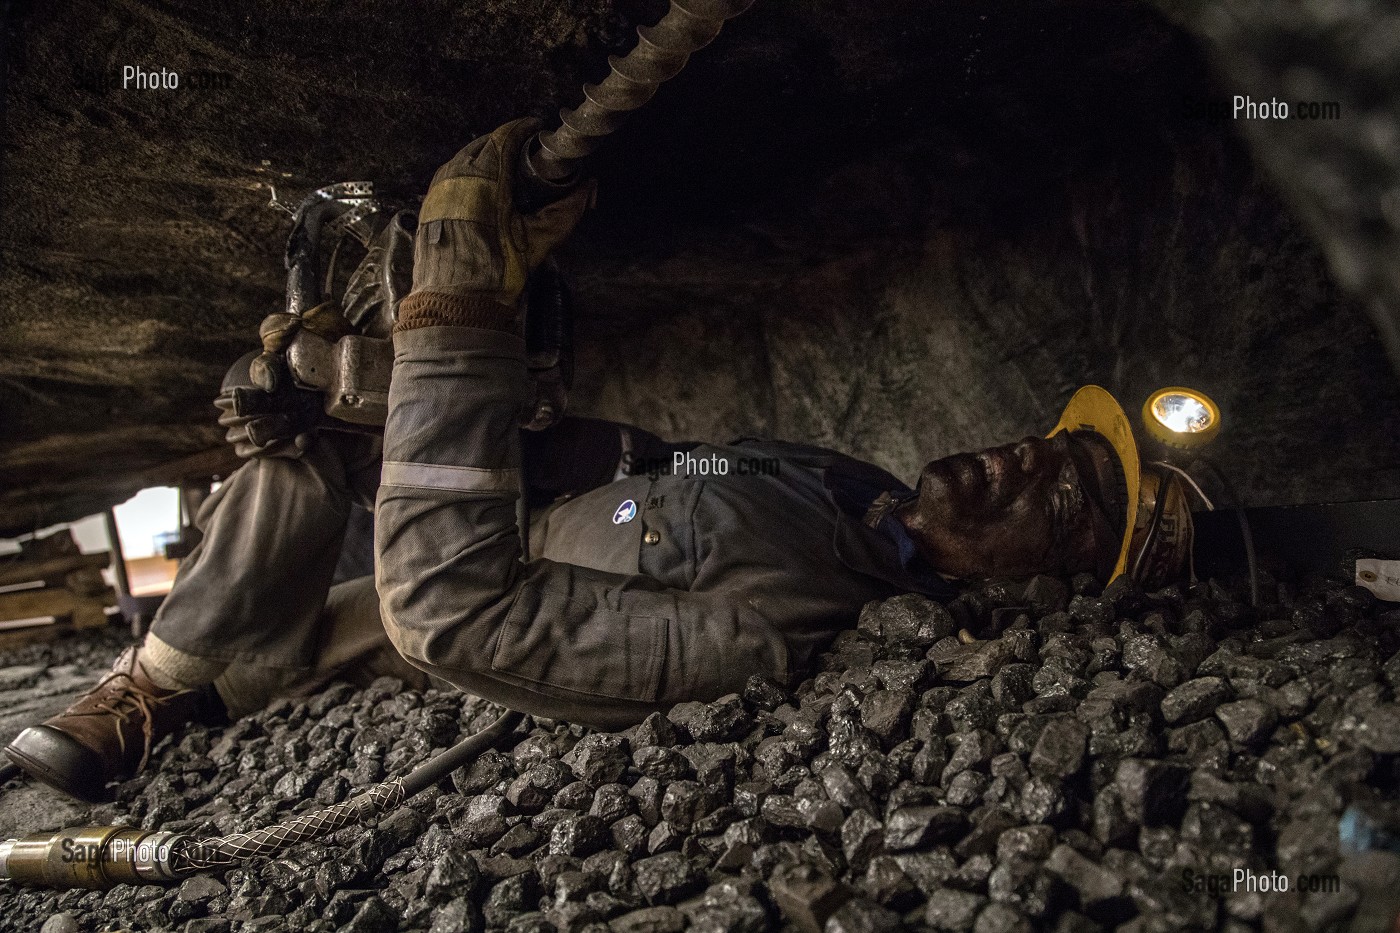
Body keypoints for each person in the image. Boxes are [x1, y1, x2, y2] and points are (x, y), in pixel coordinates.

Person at [4, 120, 1191, 801]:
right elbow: (668, 473)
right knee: (301, 453)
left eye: (1059, 492)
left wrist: (457, 320)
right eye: (1049, 440)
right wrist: (408, 388)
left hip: (416, 596)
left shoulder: (782, 625)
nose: (1020, 454)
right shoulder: (839, 484)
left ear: (1037, 587)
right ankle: (162, 676)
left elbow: (453, 619)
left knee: (286, 623)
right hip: (469, 515)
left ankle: (155, 696)